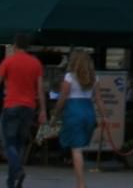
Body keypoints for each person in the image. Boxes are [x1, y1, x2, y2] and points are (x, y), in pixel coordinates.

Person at [0, 34, 47, 188]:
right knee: (19, 144)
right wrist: (43, 111)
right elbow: (40, 90)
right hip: (29, 108)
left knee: (8, 144)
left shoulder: (8, 62)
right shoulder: (35, 63)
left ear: (15, 45)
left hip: (11, 106)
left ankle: (18, 171)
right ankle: (12, 182)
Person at [59, 49, 97, 188]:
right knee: (80, 147)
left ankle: (81, 183)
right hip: (89, 111)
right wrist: (103, 116)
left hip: (74, 111)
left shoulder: (69, 77)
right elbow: (97, 99)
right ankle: (80, 183)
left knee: (76, 149)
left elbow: (63, 97)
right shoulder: (93, 78)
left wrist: (56, 111)